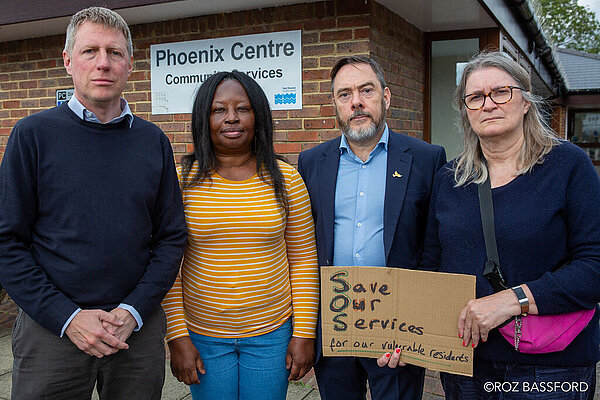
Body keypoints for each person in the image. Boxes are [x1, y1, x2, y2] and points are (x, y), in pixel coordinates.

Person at [378, 51, 600, 399]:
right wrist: (411, 332)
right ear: (466, 111)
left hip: (551, 362)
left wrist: (511, 301)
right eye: (476, 97)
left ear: (525, 101)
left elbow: (594, 267)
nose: (488, 104)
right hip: (468, 362)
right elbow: (433, 267)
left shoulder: (568, 166)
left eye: (501, 92)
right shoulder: (450, 178)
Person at [0, 7, 187, 399]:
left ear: (130, 65)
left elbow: (170, 237)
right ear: (68, 61)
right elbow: (7, 243)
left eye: (114, 53)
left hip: (134, 331)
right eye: (90, 51)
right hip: (52, 332)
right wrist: (67, 317)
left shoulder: (153, 143)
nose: (103, 63)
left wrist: (134, 310)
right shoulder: (32, 136)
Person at [161, 70, 320, 400]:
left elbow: (303, 260)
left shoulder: (287, 180)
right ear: (204, 118)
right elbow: (167, 265)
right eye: (219, 109)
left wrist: (304, 332)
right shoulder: (181, 182)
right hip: (202, 335)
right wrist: (176, 335)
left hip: (272, 334)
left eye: (242, 108)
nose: (231, 118)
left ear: (258, 115)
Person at [297, 56, 446, 400]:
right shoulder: (311, 162)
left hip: (398, 327)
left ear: (386, 96)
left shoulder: (426, 158)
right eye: (345, 94)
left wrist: (416, 323)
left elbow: (433, 246)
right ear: (335, 103)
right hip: (333, 323)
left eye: (366, 90)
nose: (357, 102)